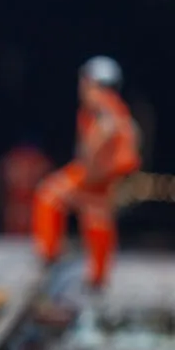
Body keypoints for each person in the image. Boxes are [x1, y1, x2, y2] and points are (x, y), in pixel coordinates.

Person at [32, 56, 140, 289]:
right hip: (99, 176)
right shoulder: (103, 109)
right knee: (96, 218)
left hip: (96, 175)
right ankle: (97, 276)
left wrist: (90, 163)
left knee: (50, 196)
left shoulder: (105, 107)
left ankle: (51, 255)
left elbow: (111, 135)